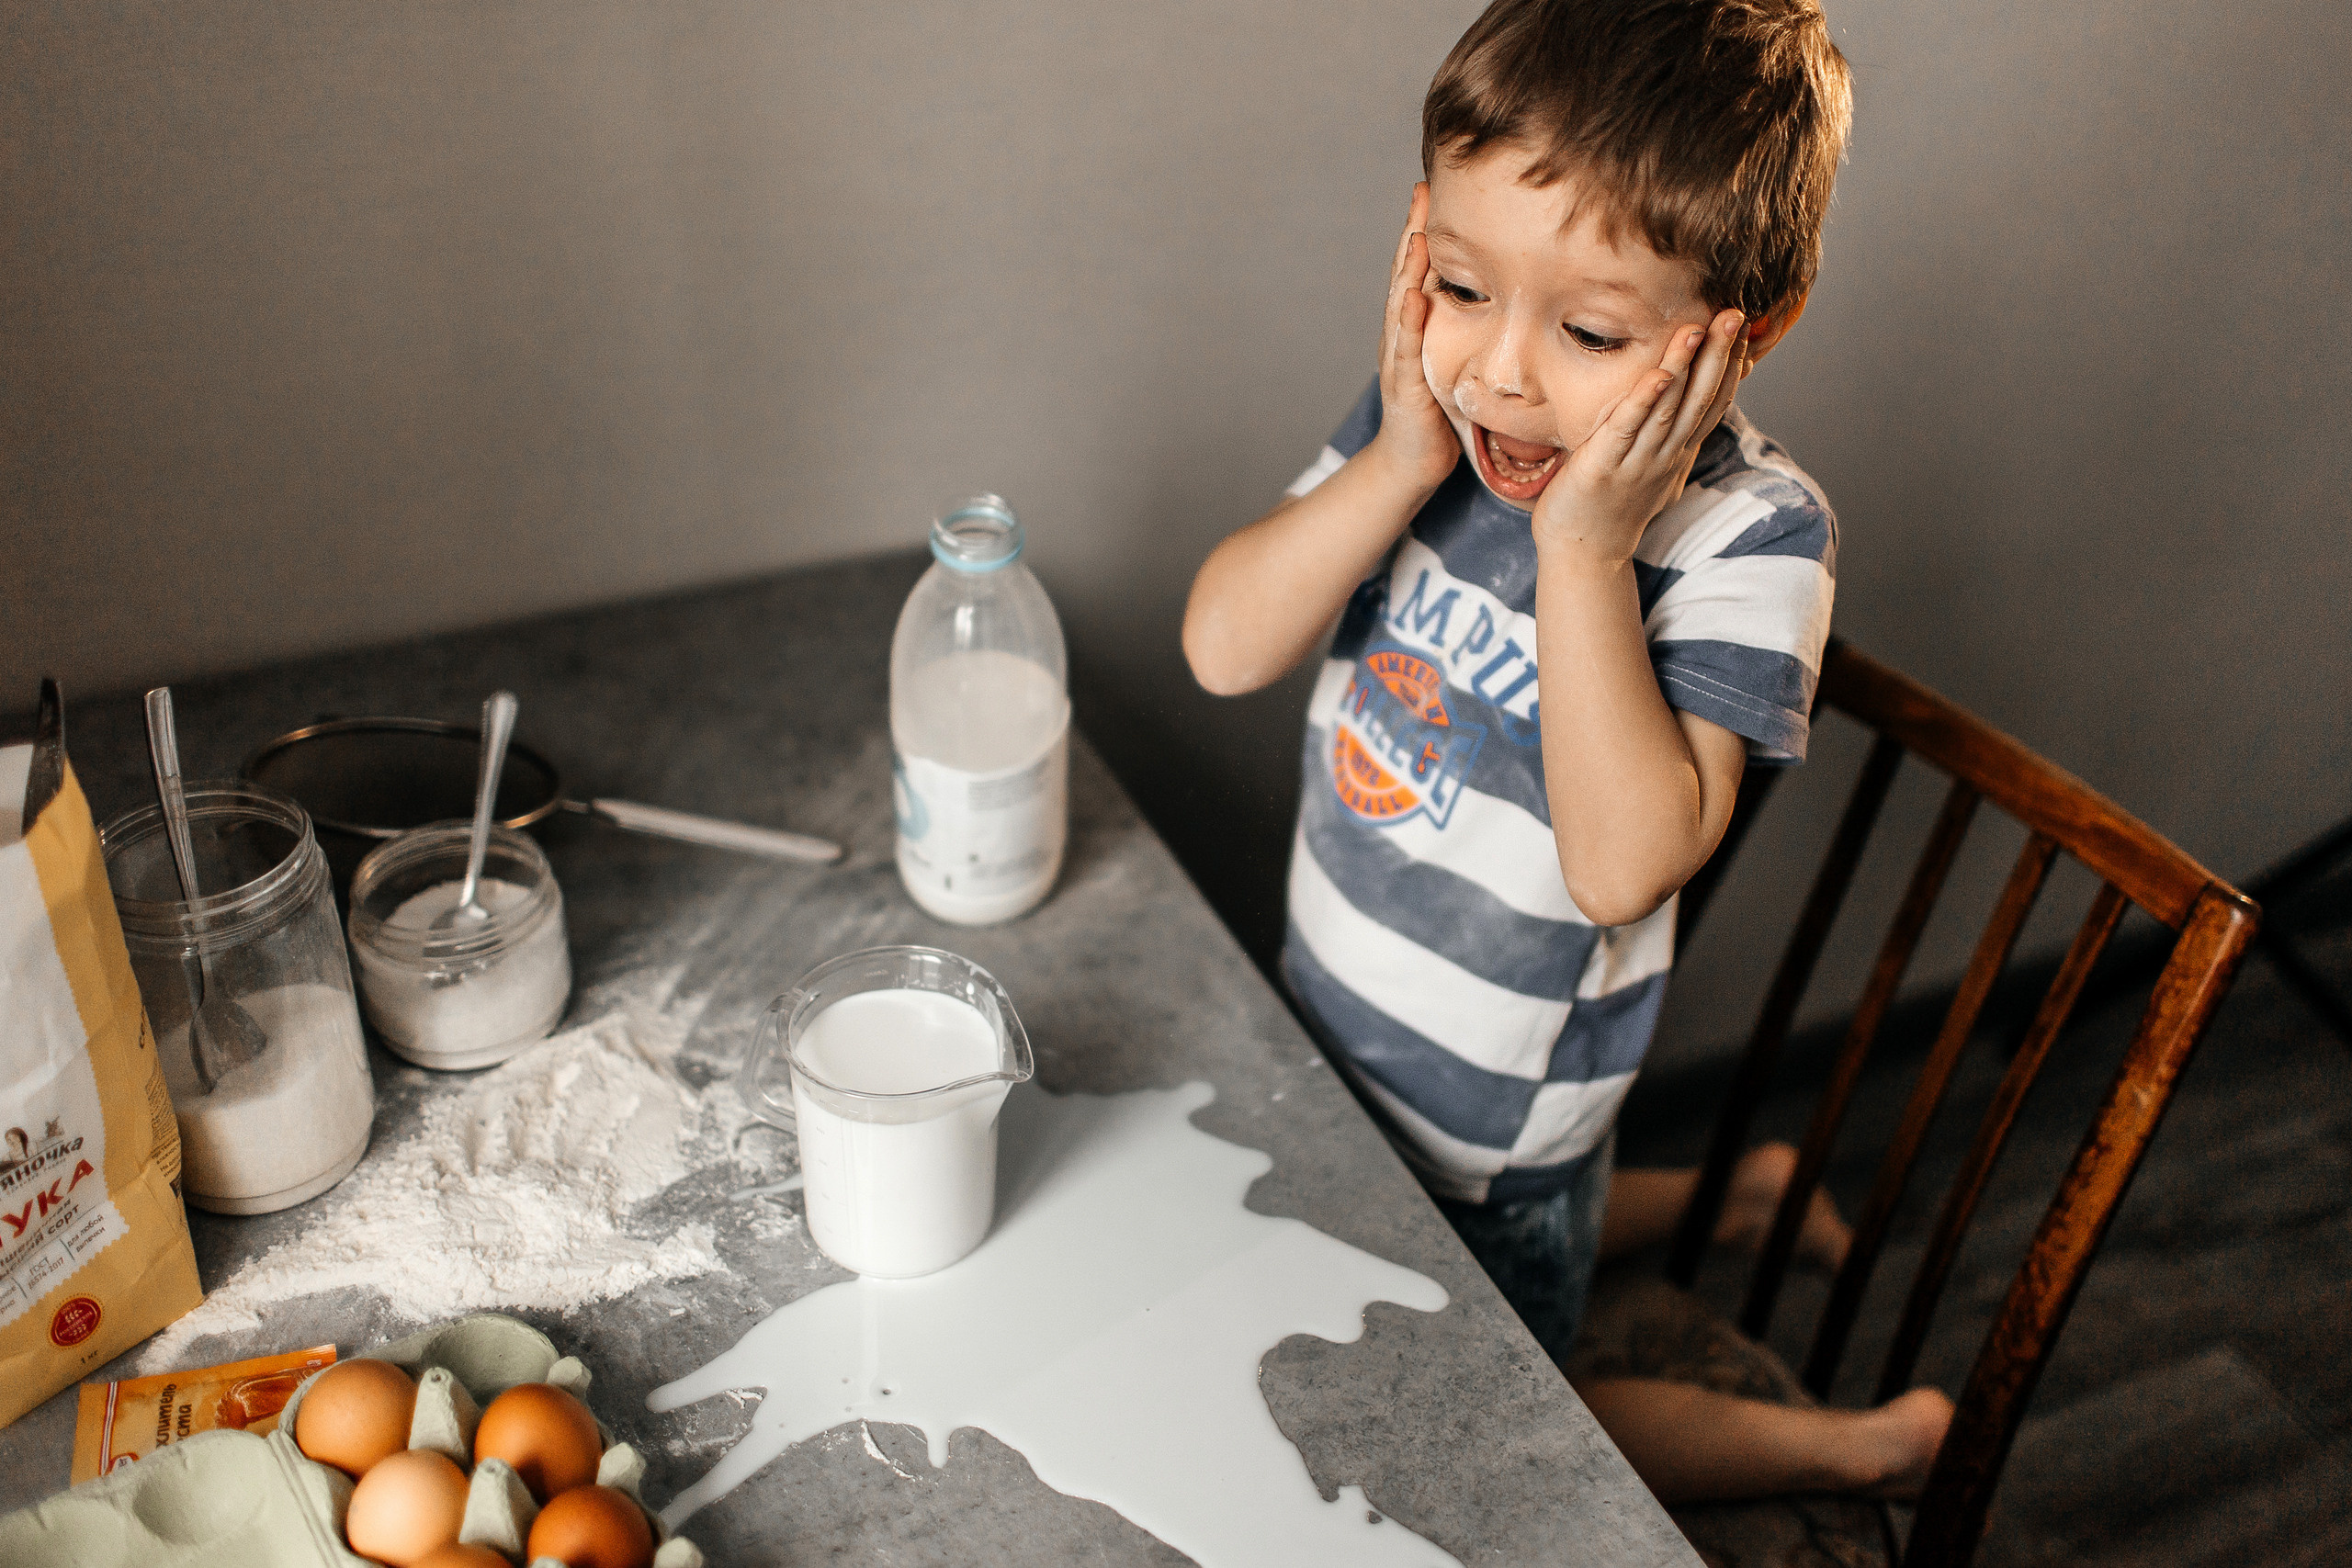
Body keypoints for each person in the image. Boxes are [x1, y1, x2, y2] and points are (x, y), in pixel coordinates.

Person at [1182, 0, 1952, 1503]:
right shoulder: (1429, 428)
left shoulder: (1752, 539)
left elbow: (1622, 868)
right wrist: (1397, 456)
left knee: (1498, 1459)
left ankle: (1862, 1447)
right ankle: (1743, 1196)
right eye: (1462, 287)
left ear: (1752, 328)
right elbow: (1222, 648)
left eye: (1591, 332)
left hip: (1496, 1143)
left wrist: (1585, 553)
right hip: (1322, 1057)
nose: (1502, 375)